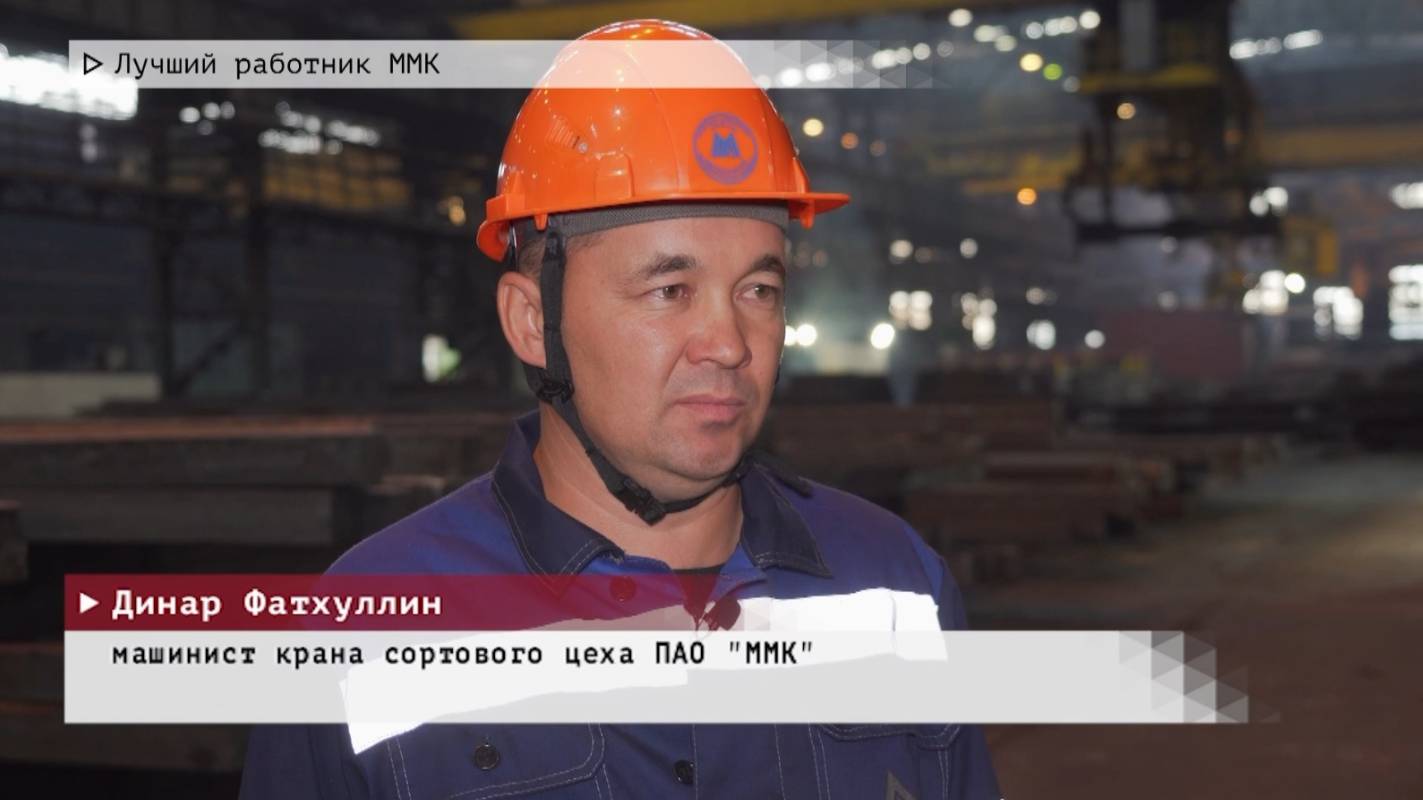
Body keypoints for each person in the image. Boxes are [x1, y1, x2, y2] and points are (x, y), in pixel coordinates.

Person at [241, 19, 999, 799]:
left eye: (758, 289)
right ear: (532, 321)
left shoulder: (897, 585)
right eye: (669, 290)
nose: (728, 344)